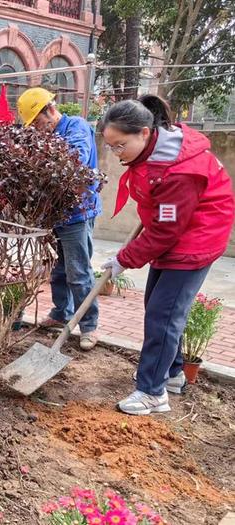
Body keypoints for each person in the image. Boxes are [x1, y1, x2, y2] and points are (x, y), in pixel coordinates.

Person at [99, 95, 234, 416]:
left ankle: (151, 392)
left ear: (144, 133)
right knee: (158, 307)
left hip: (195, 240)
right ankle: (171, 373)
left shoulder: (180, 172)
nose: (116, 154)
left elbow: (165, 231)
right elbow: (163, 219)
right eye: (111, 147)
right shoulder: (155, 152)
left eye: (120, 146)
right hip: (179, 232)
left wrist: (124, 259)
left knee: (164, 316)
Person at [17, 87, 103, 350]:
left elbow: (74, 159)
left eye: (38, 123)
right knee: (58, 270)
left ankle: (89, 326)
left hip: (78, 212)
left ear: (50, 110)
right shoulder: (48, 137)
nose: (37, 130)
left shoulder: (76, 126)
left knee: (79, 272)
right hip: (55, 214)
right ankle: (60, 313)